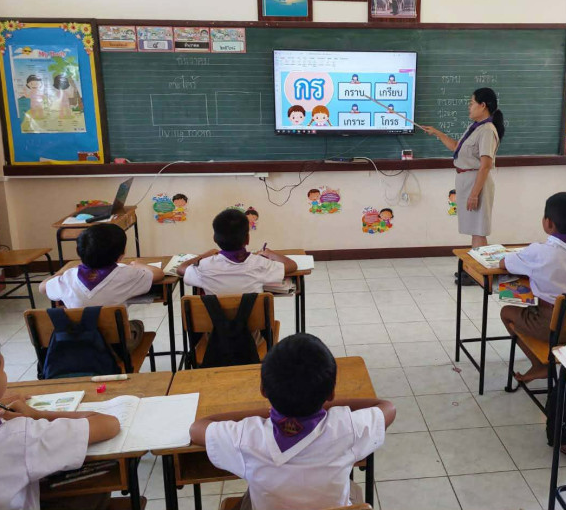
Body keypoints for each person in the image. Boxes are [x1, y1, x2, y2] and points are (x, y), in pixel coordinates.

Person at [189, 333, 396, 510]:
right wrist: (329, 403)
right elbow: (387, 407)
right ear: (331, 393)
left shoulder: (245, 436)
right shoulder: (347, 427)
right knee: (354, 491)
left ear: (263, 390)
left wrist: (265, 412)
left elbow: (197, 428)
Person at [0, 331, 120, 510]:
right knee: (93, 492)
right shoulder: (18, 437)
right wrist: (36, 415)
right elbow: (109, 424)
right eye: (2, 369)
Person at [499, 192, 566, 382]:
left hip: (549, 324)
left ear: (548, 223)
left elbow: (503, 263)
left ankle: (539, 365)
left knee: (506, 312)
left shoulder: (538, 252)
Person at [421, 88, 505, 282]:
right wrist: (437, 133)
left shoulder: (487, 130)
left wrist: (475, 193)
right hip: (467, 181)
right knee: (474, 228)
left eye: (471, 103)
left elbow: (486, 165)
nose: (469, 106)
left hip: (477, 182)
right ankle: (474, 269)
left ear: (483, 106)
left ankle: (481, 274)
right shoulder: (475, 127)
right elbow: (456, 148)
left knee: (479, 229)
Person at [40, 223, 164, 351]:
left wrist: (61, 272)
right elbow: (158, 274)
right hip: (117, 348)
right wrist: (138, 264)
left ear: (80, 253)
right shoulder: (126, 274)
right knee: (137, 324)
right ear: (121, 255)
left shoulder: (68, 277)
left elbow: (42, 288)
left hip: (78, 345)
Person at [176, 208, 297, 293]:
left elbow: (181, 269)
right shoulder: (260, 264)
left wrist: (204, 255)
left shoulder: (204, 266)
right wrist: (271, 253)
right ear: (247, 239)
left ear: (214, 239)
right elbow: (292, 265)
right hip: (253, 323)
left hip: (215, 323)